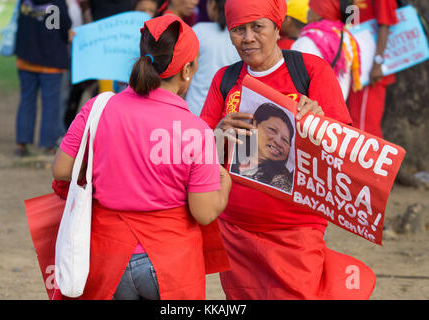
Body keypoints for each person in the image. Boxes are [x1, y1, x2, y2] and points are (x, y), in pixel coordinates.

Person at [200, 0, 375, 299]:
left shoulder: (309, 69)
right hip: (235, 232)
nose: (248, 38)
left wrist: (321, 123)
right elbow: (199, 154)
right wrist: (217, 135)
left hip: (298, 230)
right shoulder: (225, 80)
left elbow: (346, 148)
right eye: (238, 30)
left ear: (277, 27)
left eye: (258, 27)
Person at [51, 14, 232, 300]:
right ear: (187, 70)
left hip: (108, 259)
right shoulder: (196, 131)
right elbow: (204, 211)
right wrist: (225, 183)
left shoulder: (98, 107)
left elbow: (62, 169)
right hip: (171, 264)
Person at [14, 0, 71, 157]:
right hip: (51, 60)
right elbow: (65, 25)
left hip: (26, 56)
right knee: (51, 104)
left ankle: (21, 144)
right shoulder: (58, 2)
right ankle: (48, 146)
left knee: (26, 99)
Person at [291, 0, 362, 100]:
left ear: (320, 14)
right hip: (336, 108)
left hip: (311, 109)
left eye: (311, 8)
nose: (308, 13)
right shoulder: (347, 38)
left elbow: (293, 78)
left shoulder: (307, 40)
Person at [347, 0, 398, 138]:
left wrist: (377, 63)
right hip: (356, 66)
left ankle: (371, 159)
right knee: (356, 122)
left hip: (370, 70)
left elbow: (385, 24)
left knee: (365, 129)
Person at [185, 0, 239, 115]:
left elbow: (186, 71)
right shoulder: (240, 35)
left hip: (194, 108)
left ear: (213, 4)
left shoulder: (199, 30)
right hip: (224, 112)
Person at [230, 103, 294, 193]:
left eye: (285, 140)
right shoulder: (230, 149)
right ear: (255, 124)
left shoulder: (282, 181)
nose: (278, 142)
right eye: (272, 130)